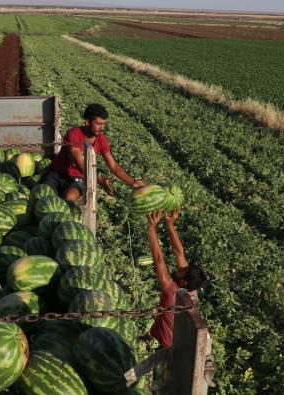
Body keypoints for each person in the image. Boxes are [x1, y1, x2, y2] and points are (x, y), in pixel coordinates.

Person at [42, 103, 144, 202]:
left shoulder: (102, 140)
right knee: (43, 196)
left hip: (78, 178)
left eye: (104, 124)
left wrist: (133, 182)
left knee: (70, 197)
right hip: (57, 173)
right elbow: (80, 164)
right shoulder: (74, 134)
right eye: (98, 124)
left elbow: (114, 167)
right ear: (87, 122)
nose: (102, 127)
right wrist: (99, 180)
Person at [147, 208, 208, 348]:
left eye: (183, 271)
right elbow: (179, 253)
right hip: (179, 342)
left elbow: (158, 259)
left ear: (183, 281)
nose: (180, 268)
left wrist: (151, 227)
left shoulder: (171, 292)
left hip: (166, 347)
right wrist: (170, 223)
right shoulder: (191, 290)